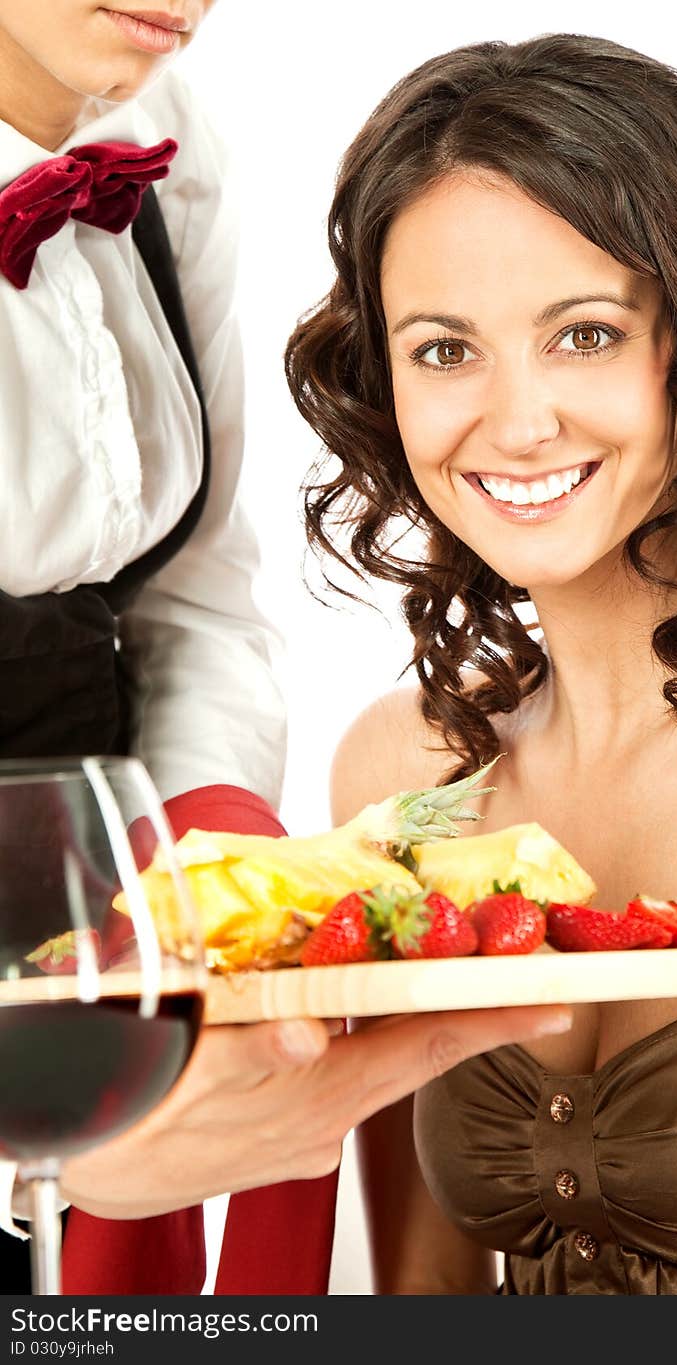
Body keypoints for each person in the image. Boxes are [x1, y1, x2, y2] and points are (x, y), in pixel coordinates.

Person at [285, 33, 677, 1294]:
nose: (514, 422)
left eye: (584, 335)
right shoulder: (401, 780)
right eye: (445, 350)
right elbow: (423, 1294)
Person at [0, 4, 572, 1295]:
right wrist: (56, 1141)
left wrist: (211, 863)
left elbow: (190, 589)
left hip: (93, 894)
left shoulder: (167, 133)